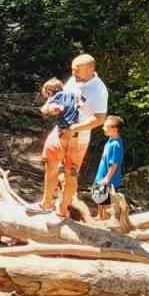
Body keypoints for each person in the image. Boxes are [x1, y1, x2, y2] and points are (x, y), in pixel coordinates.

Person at [61, 53, 111, 212]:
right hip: (61, 130)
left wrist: (74, 128)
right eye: (72, 69)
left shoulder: (98, 89)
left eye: (77, 70)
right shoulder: (75, 79)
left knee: (70, 171)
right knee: (56, 166)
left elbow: (100, 119)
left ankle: (65, 207)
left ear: (91, 69)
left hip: (77, 136)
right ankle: (58, 200)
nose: (73, 73)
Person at [39, 76, 93, 217]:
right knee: (71, 173)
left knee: (68, 173)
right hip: (74, 133)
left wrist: (52, 107)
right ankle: (62, 208)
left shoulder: (57, 96)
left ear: (49, 92)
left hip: (69, 133)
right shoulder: (70, 89)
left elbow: (49, 108)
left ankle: (50, 204)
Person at [92, 115, 126, 220]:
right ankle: (99, 215)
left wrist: (107, 178)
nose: (103, 128)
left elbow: (114, 163)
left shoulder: (116, 144)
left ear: (114, 129)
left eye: (106, 126)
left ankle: (105, 218)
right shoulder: (110, 140)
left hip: (108, 178)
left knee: (105, 198)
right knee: (98, 195)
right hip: (101, 174)